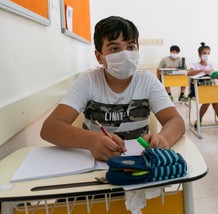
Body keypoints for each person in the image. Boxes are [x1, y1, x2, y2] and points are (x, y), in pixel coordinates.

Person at [40, 16, 185, 161]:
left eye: (131, 47)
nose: (125, 54)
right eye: (115, 48)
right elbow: (50, 128)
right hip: (95, 164)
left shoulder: (147, 81)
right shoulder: (88, 81)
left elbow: (175, 121)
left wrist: (163, 138)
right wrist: (90, 140)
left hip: (139, 162)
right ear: (99, 57)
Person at [187, 42, 218, 129]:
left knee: (214, 98)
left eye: (208, 53)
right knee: (209, 99)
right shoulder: (195, 65)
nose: (206, 55)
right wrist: (201, 70)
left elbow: (214, 76)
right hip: (198, 89)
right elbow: (189, 73)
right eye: (204, 53)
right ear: (199, 54)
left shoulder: (210, 65)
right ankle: (199, 120)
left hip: (209, 88)